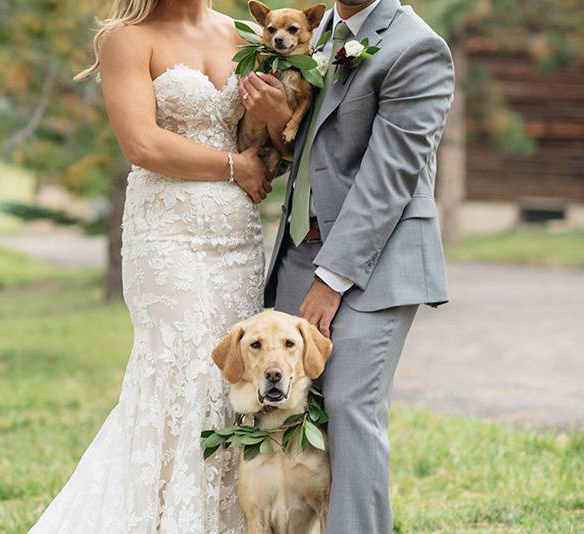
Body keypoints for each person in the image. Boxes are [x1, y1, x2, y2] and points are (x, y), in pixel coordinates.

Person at [28, 0, 272, 532]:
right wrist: (235, 167)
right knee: (178, 372)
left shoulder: (252, 34)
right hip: (166, 234)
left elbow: (270, 134)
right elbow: (141, 143)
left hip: (236, 235)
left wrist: (273, 115)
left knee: (234, 376)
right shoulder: (127, 38)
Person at [247, 0, 455, 532]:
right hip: (298, 249)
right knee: (290, 410)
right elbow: (317, 154)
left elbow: (389, 179)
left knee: (347, 410)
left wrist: (330, 281)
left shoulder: (416, 47)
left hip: (373, 263)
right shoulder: (316, 33)